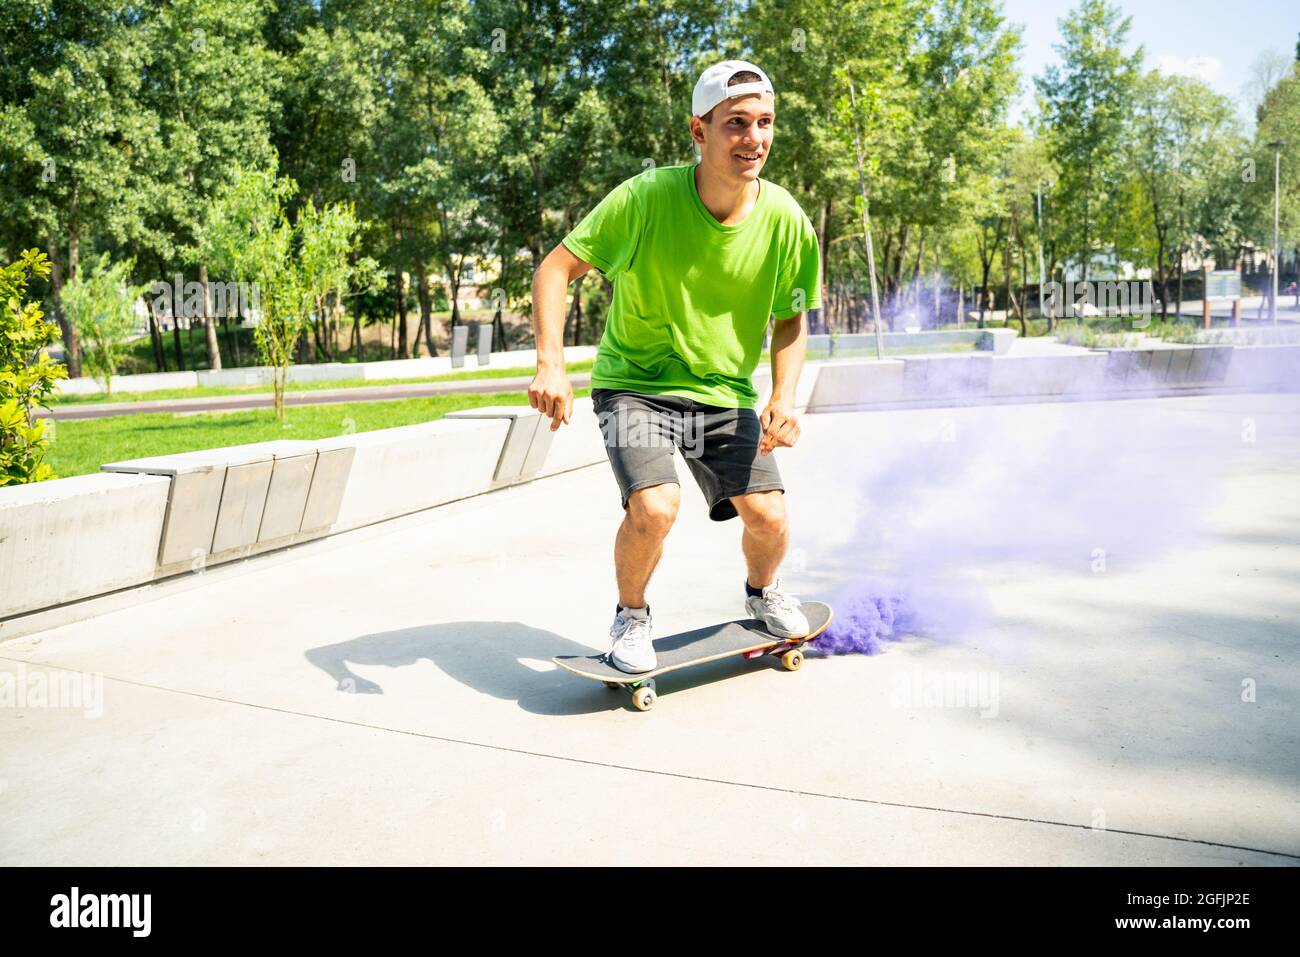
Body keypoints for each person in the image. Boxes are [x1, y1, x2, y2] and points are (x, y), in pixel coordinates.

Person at [528, 60, 821, 673]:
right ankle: (631, 617)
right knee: (656, 507)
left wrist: (784, 396)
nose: (754, 138)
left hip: (723, 393)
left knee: (769, 518)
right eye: (736, 123)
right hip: (634, 386)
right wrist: (551, 364)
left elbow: (792, 316)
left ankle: (762, 596)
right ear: (699, 130)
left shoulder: (787, 219)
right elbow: (555, 269)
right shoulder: (646, 197)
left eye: (764, 123)